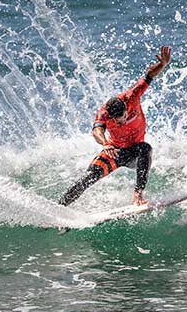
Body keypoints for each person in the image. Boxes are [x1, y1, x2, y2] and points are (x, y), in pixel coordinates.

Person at [59, 46, 172, 207]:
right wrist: (105, 144)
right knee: (88, 177)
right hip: (115, 151)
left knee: (145, 148)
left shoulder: (132, 96)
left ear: (125, 108)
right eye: (118, 122)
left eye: (124, 118)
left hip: (134, 153)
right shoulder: (104, 113)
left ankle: (138, 194)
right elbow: (97, 130)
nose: (122, 122)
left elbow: (149, 75)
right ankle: (60, 207)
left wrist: (162, 65)